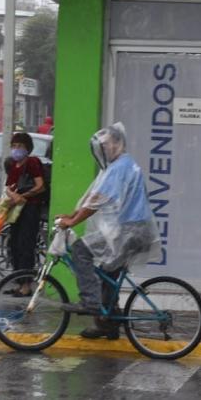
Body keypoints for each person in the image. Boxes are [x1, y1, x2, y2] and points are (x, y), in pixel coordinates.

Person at [56, 122, 161, 339]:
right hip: (135, 230)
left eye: (108, 145)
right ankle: (108, 325)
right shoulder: (125, 164)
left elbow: (97, 201)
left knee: (80, 250)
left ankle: (90, 303)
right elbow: (97, 201)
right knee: (108, 271)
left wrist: (73, 222)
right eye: (101, 147)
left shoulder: (119, 167)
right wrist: (72, 216)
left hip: (129, 231)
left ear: (119, 143)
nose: (104, 150)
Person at [0, 131, 46, 296]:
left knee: (26, 246)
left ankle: (27, 286)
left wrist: (22, 197)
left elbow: (40, 186)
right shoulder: (13, 165)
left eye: (19, 146)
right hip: (16, 211)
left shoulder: (33, 162)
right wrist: (11, 198)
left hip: (30, 209)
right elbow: (9, 188)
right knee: (14, 246)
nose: (16, 149)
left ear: (28, 148)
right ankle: (19, 283)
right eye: (13, 146)